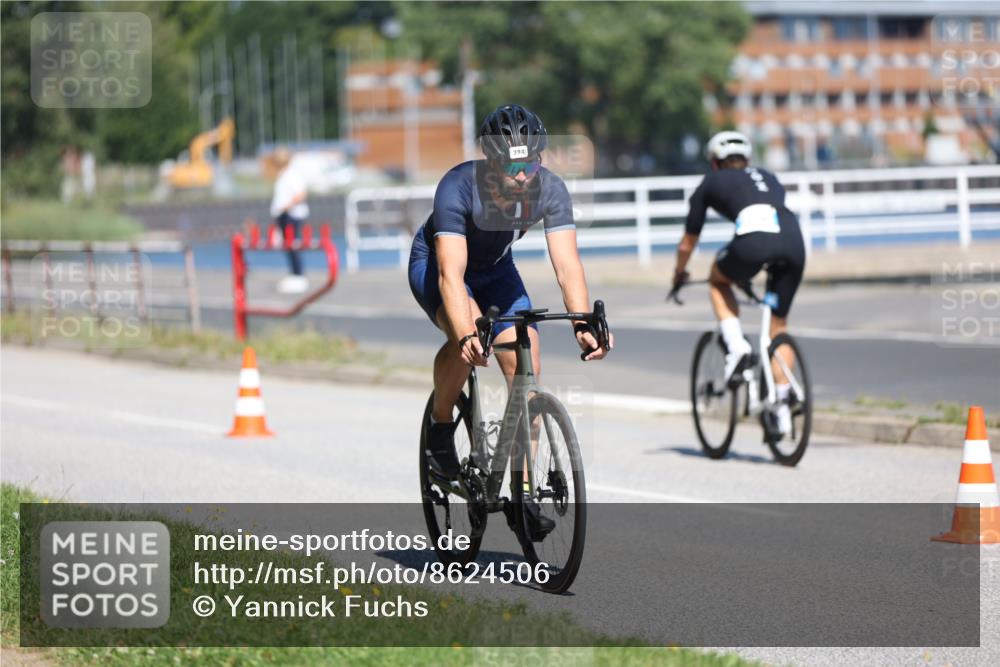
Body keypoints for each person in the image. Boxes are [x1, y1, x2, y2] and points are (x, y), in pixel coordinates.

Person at [409, 104, 613, 488]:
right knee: (467, 335)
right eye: (511, 167)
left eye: (530, 165)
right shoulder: (458, 186)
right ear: (490, 163)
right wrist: (465, 333)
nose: (522, 176)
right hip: (440, 265)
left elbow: (568, 266)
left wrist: (583, 323)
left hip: (497, 271)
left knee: (526, 375)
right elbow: (451, 275)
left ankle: (524, 493)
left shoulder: (550, 188)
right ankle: (440, 425)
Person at [671, 131, 806, 434]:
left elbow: (688, 242)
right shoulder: (768, 176)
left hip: (754, 243)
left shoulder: (710, 182)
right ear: (746, 159)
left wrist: (679, 273)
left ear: (714, 162)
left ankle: (736, 348)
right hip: (794, 242)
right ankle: (782, 404)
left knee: (718, 279)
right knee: (778, 326)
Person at [269, 148, 310, 294]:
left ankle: (298, 274)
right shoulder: (284, 174)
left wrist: (286, 206)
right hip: (284, 215)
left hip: (291, 215)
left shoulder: (292, 175)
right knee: (288, 245)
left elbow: (301, 194)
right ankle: (294, 273)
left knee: (292, 245)